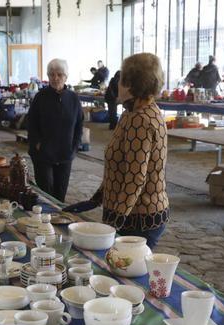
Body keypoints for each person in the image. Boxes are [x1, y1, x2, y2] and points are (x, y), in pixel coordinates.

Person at [69, 53, 169, 248]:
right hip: (132, 214)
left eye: (121, 78)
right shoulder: (132, 113)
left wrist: (113, 222)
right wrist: (97, 199)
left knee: (126, 273)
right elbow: (121, 168)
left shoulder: (140, 119)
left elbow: (135, 178)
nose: (117, 84)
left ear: (132, 84)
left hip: (138, 218)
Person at [27, 58, 83, 202]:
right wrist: (37, 144)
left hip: (65, 154)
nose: (55, 78)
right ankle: (45, 221)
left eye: (59, 74)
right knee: (46, 193)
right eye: (51, 74)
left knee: (60, 194)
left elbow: (79, 125)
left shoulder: (73, 98)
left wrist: (74, 148)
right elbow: (31, 123)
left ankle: (58, 222)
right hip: (43, 154)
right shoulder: (41, 97)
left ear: (66, 77)